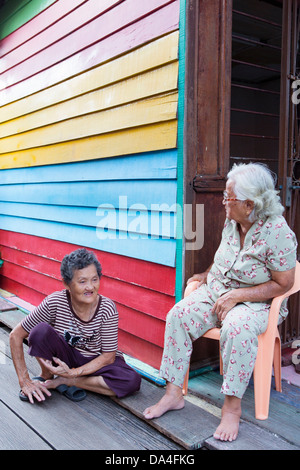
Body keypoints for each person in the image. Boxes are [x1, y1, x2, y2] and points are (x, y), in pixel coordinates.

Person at [143, 163, 297, 442]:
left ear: (250, 204)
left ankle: (231, 408)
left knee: (236, 330)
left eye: (229, 198)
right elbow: (225, 256)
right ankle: (173, 393)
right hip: (218, 291)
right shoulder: (233, 220)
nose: (224, 202)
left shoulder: (278, 232)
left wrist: (238, 295)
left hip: (256, 302)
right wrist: (205, 276)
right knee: (178, 315)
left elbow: (284, 283)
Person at [10, 248, 141, 403]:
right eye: (82, 281)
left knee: (131, 381)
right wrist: (24, 380)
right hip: (65, 357)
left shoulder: (107, 308)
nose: (90, 287)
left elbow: (108, 357)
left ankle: (67, 381)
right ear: (67, 284)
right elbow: (15, 336)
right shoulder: (55, 302)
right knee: (39, 332)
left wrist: (73, 375)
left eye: (94, 279)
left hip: (96, 360)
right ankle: (46, 375)